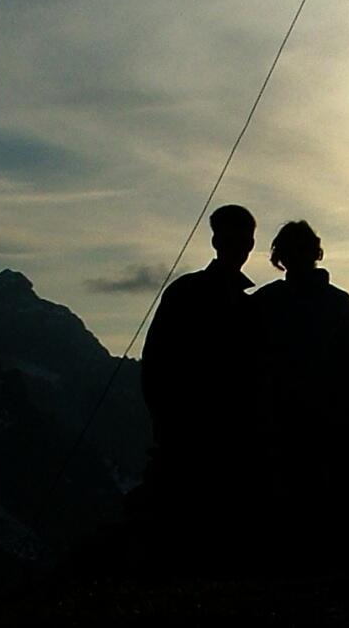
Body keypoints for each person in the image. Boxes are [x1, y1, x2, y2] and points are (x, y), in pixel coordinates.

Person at [252, 220, 349, 558]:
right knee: (345, 495)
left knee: (296, 497)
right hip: (331, 418)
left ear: (279, 257)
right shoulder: (336, 302)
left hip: (287, 421)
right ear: (316, 254)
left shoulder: (265, 303)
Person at [136, 204, 257, 548]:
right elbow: (157, 364)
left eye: (244, 239)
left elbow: (154, 364)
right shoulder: (204, 298)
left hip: (217, 438)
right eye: (238, 238)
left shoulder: (240, 304)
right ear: (219, 241)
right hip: (196, 438)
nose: (242, 246)